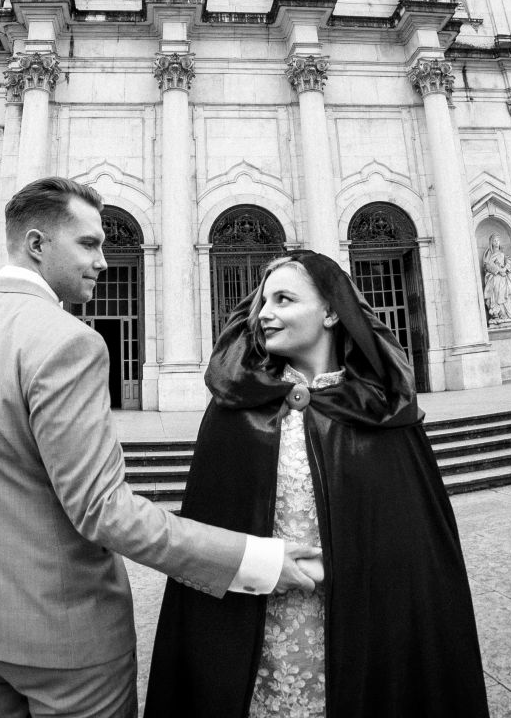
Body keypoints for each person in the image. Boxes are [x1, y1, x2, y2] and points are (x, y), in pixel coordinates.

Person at [0, 177, 321, 718]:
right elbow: (102, 510)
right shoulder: (67, 341)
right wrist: (255, 558)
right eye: (89, 243)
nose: (103, 260)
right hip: (63, 640)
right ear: (36, 244)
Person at [144, 250, 489, 718]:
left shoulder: (379, 409)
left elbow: (415, 548)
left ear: (330, 311)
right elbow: (210, 531)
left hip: (360, 627)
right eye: (264, 301)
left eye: (284, 299)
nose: (265, 313)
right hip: (257, 628)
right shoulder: (236, 409)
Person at [482, 233, 511, 324]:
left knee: (506, 294)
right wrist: (498, 270)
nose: (496, 242)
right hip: (495, 278)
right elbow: (487, 265)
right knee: (496, 293)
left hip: (503, 278)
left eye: (498, 240)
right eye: (494, 240)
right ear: (491, 242)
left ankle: (507, 313)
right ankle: (498, 312)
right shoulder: (489, 254)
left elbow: (509, 262)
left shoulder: (502, 253)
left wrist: (504, 269)